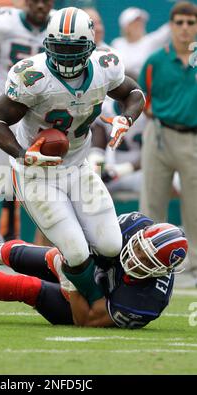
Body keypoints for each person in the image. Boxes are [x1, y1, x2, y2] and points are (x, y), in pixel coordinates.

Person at [0, 6, 145, 300]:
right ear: (46, 44)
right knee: (75, 250)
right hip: (37, 174)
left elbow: (134, 94)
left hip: (79, 167)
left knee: (110, 244)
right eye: (60, 48)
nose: (67, 56)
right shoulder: (32, 75)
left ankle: (89, 282)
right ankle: (93, 302)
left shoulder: (105, 67)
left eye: (75, 49)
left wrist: (126, 118)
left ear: (91, 46)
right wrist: (22, 154)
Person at [0, 211, 188, 329]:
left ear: (163, 270)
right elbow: (87, 242)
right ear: (142, 235)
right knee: (54, 255)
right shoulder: (133, 225)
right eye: (140, 247)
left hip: (100, 302)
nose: (138, 257)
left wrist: (69, 279)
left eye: (148, 260)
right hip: (102, 266)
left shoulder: (145, 302)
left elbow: (85, 320)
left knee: (27, 288)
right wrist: (69, 260)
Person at [0, 0, 54, 244]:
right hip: (2, 113)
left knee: (31, 189)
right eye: (35, 1)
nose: (40, 6)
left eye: (45, 1)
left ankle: (27, 253)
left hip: (37, 115)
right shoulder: (4, 24)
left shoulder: (58, 26)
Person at [138, 1, 197, 287]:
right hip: (159, 133)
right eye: (180, 23)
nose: (185, 28)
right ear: (171, 26)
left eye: (190, 22)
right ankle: (148, 259)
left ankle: (194, 263)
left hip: (194, 137)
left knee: (195, 203)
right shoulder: (156, 60)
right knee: (152, 198)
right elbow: (141, 95)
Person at [111, 7, 171, 80]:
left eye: (140, 22)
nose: (139, 25)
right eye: (134, 23)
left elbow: (169, 28)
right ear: (125, 27)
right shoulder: (117, 44)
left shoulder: (151, 41)